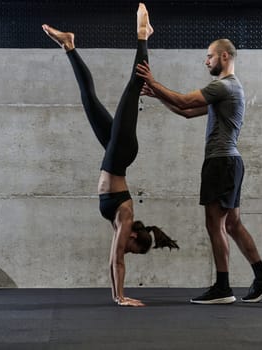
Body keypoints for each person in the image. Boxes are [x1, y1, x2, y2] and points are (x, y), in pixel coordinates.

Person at [42, 3, 178, 307]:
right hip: (121, 153)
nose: (125, 248)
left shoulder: (120, 223)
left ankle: (69, 45)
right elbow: (116, 259)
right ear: (133, 239)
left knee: (88, 99)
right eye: (132, 248)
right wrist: (120, 297)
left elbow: (116, 255)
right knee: (134, 86)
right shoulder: (125, 219)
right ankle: (143, 35)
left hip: (114, 153)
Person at [137, 38, 262, 304]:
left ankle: (223, 288)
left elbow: (183, 99)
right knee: (233, 224)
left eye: (210, 56)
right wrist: (157, 94)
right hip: (229, 163)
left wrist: (154, 82)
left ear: (224, 57)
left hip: (220, 163)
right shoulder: (230, 90)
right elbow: (186, 111)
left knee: (215, 224)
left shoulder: (223, 86)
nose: (206, 61)